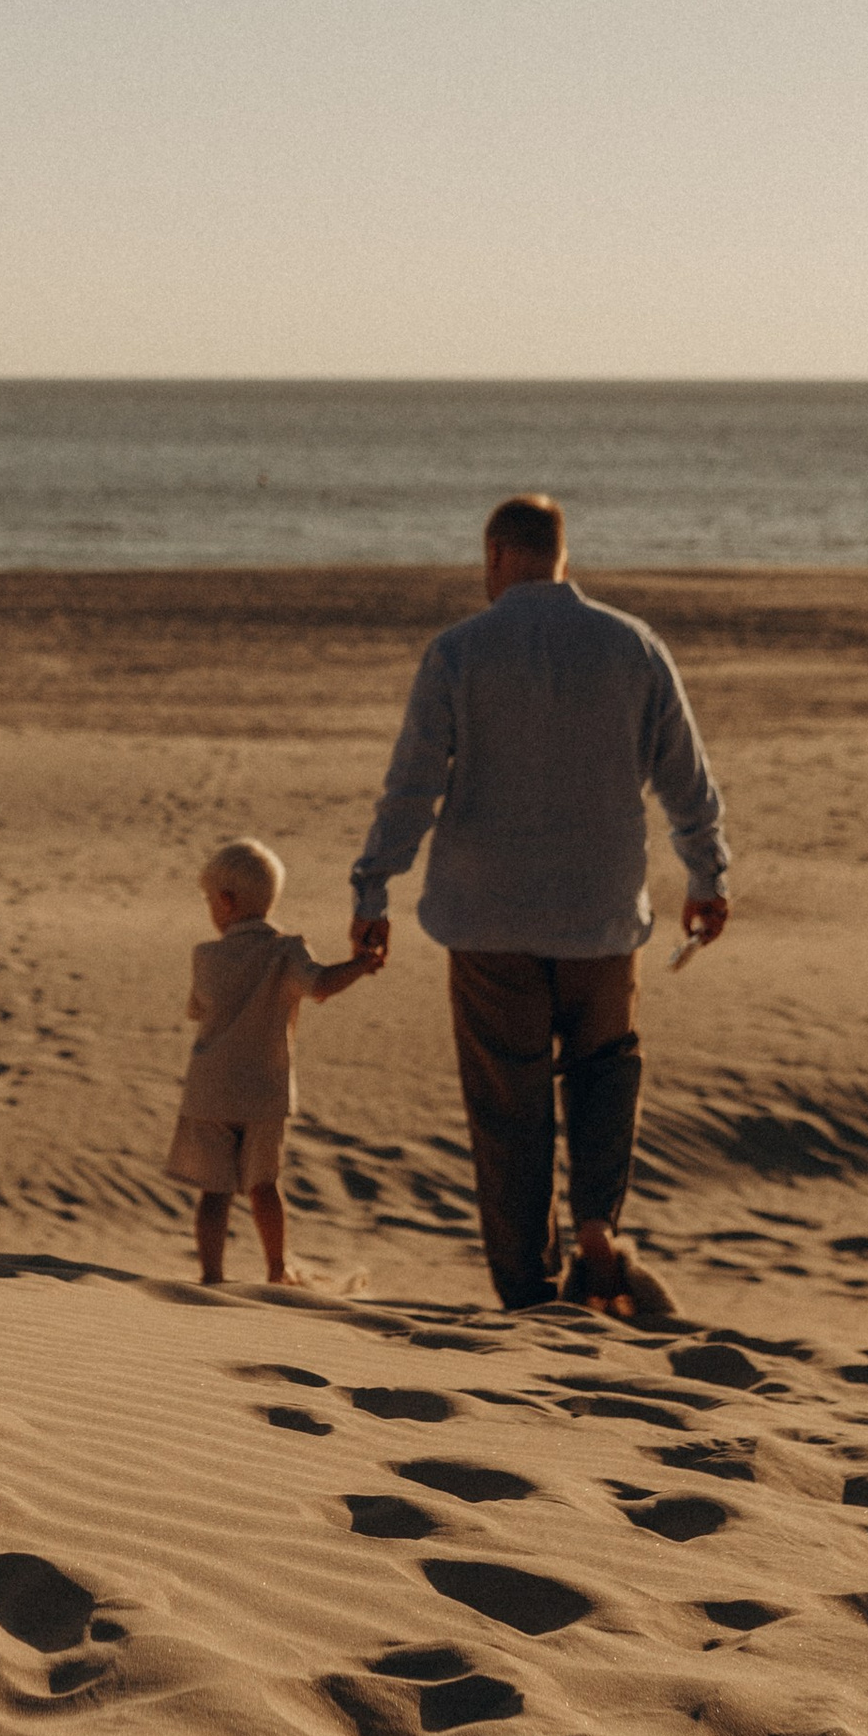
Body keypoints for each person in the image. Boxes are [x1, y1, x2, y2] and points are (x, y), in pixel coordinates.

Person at [348, 495, 729, 1317]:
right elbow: (684, 777)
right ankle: (597, 1229)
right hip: (600, 914)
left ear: (495, 554)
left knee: (508, 1108)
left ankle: (527, 1289)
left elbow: (412, 787)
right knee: (604, 1070)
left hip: (488, 918)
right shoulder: (633, 646)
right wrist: (708, 874)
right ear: (562, 553)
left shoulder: (457, 653)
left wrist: (373, 886)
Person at [169, 838, 375, 1287]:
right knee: (265, 1186)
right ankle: (276, 1269)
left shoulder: (206, 956)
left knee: (215, 1191)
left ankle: (212, 1275)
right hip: (264, 1091)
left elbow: (198, 1010)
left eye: (209, 900)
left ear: (225, 902)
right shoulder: (287, 950)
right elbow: (320, 985)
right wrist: (359, 966)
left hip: (211, 1091)